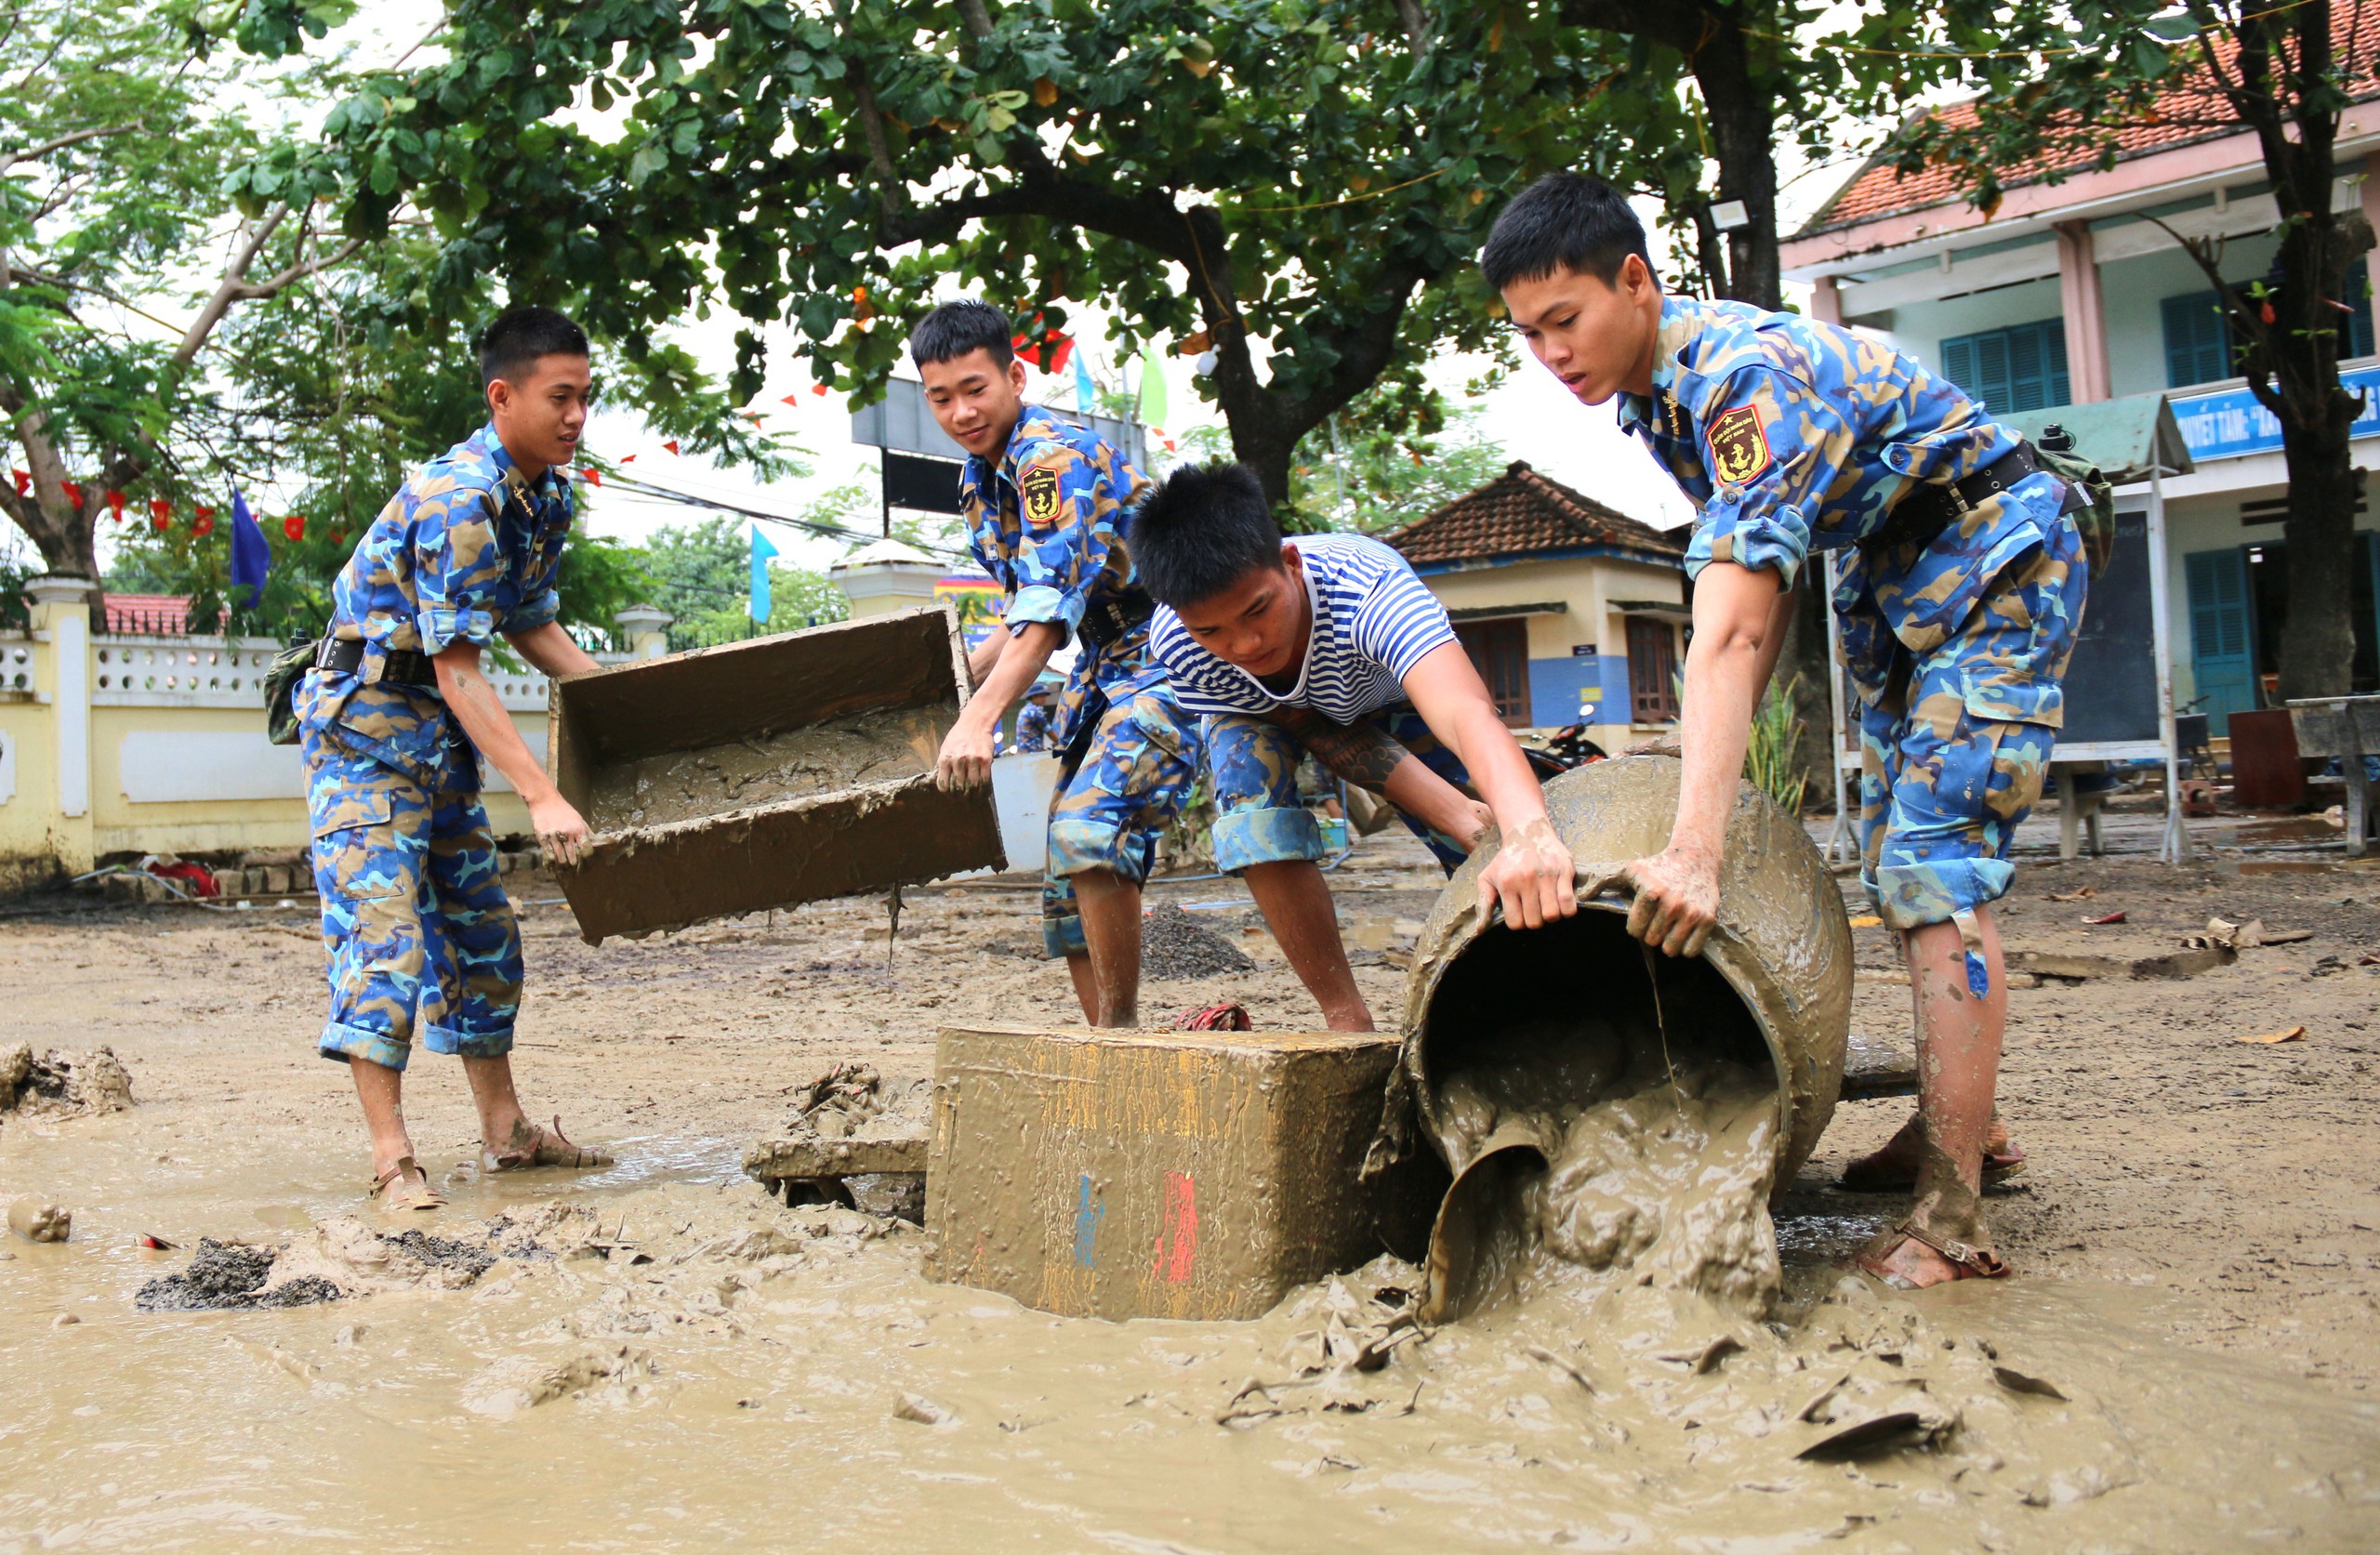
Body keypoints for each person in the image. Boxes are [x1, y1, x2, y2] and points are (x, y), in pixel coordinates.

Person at [1482, 173, 2085, 1287]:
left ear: (1634, 281)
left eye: (1563, 320)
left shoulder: (1741, 378)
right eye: (1527, 335)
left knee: (1933, 867)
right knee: (1898, 856)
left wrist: (1696, 847)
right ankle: (1971, 1127)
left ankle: (1952, 1214)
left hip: (1994, 556)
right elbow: (1753, 586)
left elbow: (1730, 633)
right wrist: (1696, 751)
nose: (1550, 353)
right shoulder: (1653, 400)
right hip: (1893, 576)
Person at [296, 305, 614, 1211]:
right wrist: (543, 791)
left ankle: (507, 1131)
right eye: (560, 398)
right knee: (385, 946)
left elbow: (532, 623)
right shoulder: (459, 496)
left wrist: (621, 710)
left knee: (483, 935)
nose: (576, 416)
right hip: (363, 741)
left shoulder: (543, 492)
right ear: (502, 395)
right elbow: (459, 662)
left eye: (586, 398)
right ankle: (393, 1156)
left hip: (439, 747)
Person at [1135, 462, 1579, 1032]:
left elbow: (1466, 713)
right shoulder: (1180, 643)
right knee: (1250, 813)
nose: (1243, 643)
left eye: (1258, 610)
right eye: (1212, 630)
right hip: (1285, 714)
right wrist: (1444, 808)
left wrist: (1525, 833)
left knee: (1492, 845)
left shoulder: (1366, 588)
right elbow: (1307, 725)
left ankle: (1552, 997)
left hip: (1397, 698)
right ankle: (1345, 1020)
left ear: (1290, 564)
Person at [914, 300, 1199, 1027]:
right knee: (1064, 869)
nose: (960, 411)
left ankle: (1123, 1038)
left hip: (1175, 645)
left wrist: (980, 718)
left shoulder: (1050, 457)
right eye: (940, 397)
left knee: (1087, 829)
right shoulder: (978, 482)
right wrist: (937, 695)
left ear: (1014, 374)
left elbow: (1044, 614)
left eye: (975, 388)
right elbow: (1019, 620)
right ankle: (1106, 1044)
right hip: (1104, 660)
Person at [1012, 682, 1057, 753]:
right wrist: (1061, 743)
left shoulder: (1025, 709)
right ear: (1034, 697)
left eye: (1044, 696)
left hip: (1022, 751)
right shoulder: (1035, 711)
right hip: (1032, 751)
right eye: (1042, 696)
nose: (1044, 699)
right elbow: (1049, 732)